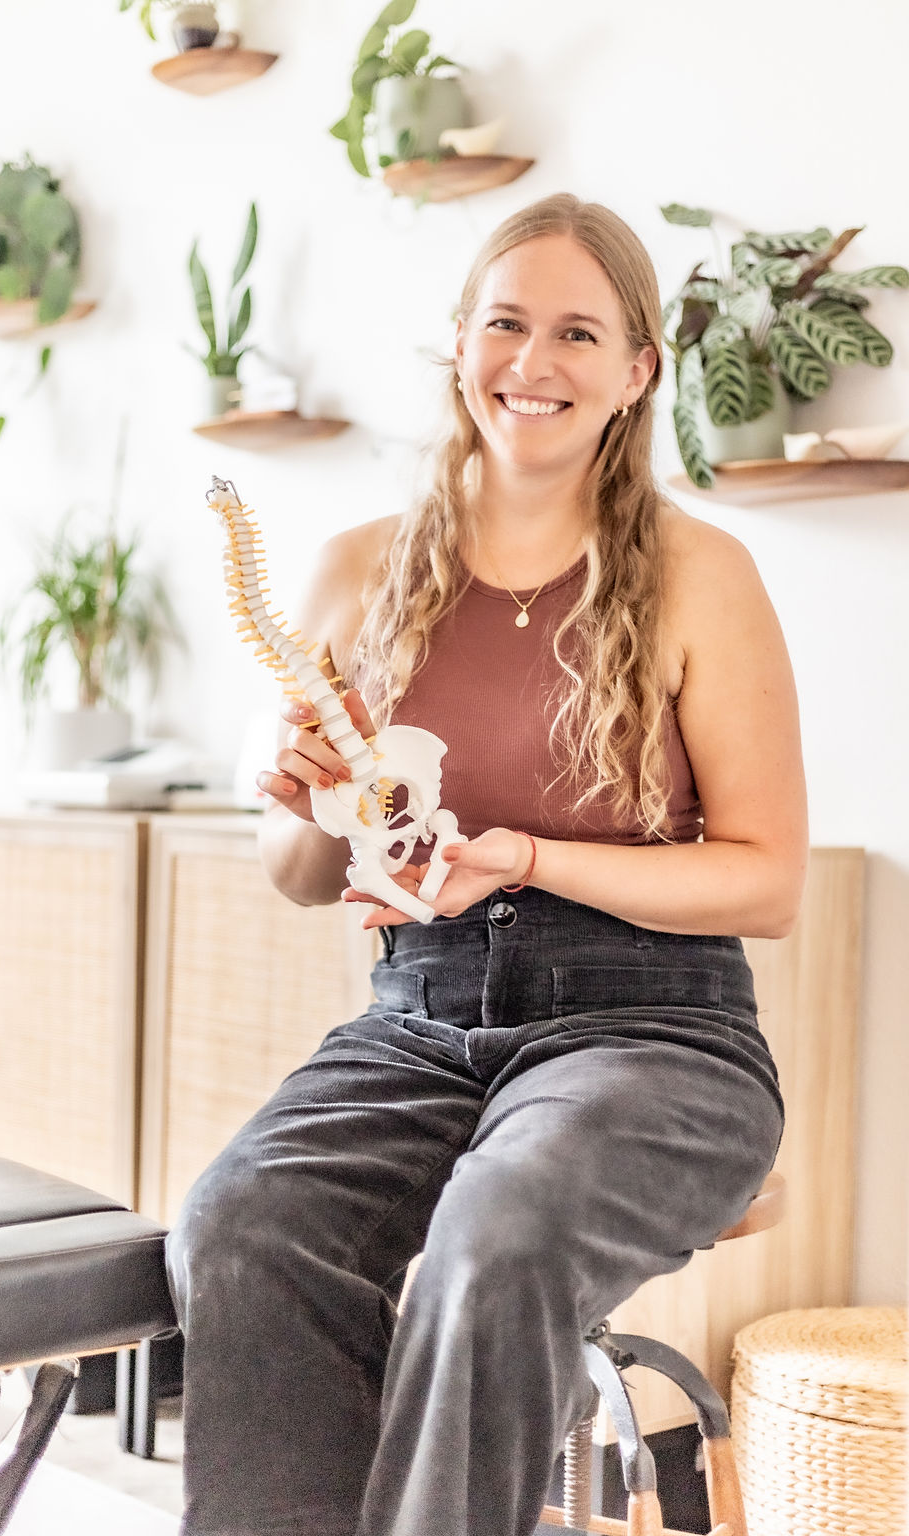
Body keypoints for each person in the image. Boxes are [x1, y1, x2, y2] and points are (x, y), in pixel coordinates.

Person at [166, 192, 807, 1536]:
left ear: (637, 373)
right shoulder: (357, 573)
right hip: (420, 1021)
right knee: (238, 1224)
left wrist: (526, 855)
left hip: (657, 1031)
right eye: (506, 322)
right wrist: (296, 800)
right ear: (459, 342)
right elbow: (298, 874)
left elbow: (766, 879)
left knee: (496, 1235)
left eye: (580, 332)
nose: (536, 359)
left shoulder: (703, 575)